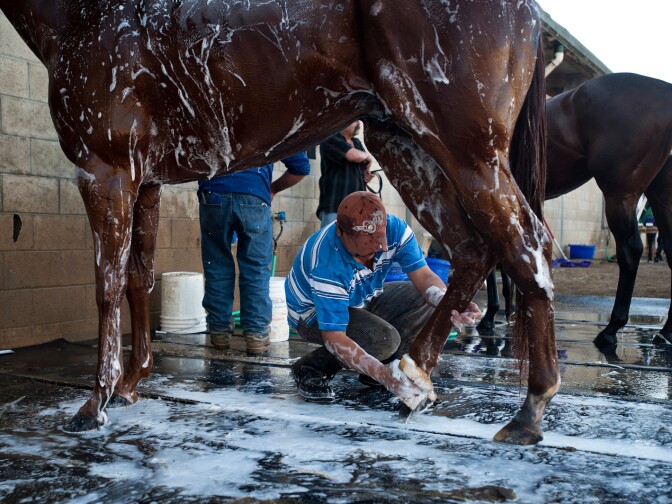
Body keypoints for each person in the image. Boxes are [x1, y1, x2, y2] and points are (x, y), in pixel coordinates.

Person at [285, 191, 481, 406]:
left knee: (430, 300)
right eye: (364, 245)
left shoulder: (396, 229)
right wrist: (384, 375)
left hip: (360, 299)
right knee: (383, 339)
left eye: (378, 239)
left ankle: (383, 366)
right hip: (312, 315)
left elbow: (424, 276)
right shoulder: (326, 263)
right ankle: (311, 367)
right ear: (341, 232)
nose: (375, 250)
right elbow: (334, 337)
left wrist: (450, 303)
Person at [198, 153, 310, 354]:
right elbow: (301, 167)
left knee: (216, 265)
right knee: (256, 269)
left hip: (213, 195)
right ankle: (256, 336)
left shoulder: (214, 120)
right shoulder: (271, 121)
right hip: (254, 196)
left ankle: (219, 333)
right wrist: (272, 188)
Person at [316, 120, 376, 228]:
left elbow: (361, 167)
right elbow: (352, 155)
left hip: (357, 208)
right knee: (331, 242)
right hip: (335, 206)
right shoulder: (331, 139)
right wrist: (367, 156)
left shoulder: (357, 142)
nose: (359, 123)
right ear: (342, 123)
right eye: (355, 120)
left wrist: (366, 176)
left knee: (354, 244)